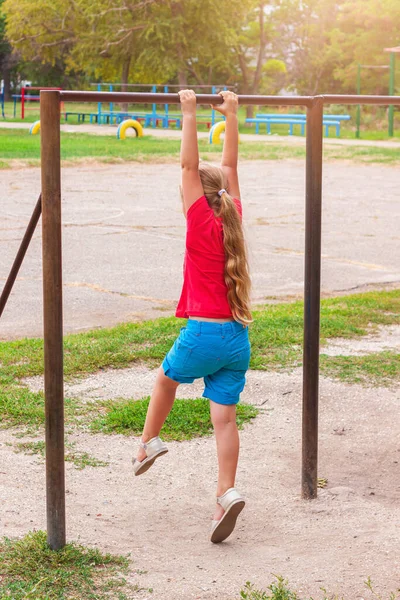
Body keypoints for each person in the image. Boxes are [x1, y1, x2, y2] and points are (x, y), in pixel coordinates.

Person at [133, 89, 252, 544]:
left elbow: (188, 167)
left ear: (197, 198)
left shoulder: (200, 220)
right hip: (237, 339)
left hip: (202, 334)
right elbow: (232, 170)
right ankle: (226, 492)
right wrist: (232, 115)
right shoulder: (233, 215)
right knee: (224, 419)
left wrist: (188, 112)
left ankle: (148, 443)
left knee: (166, 380)